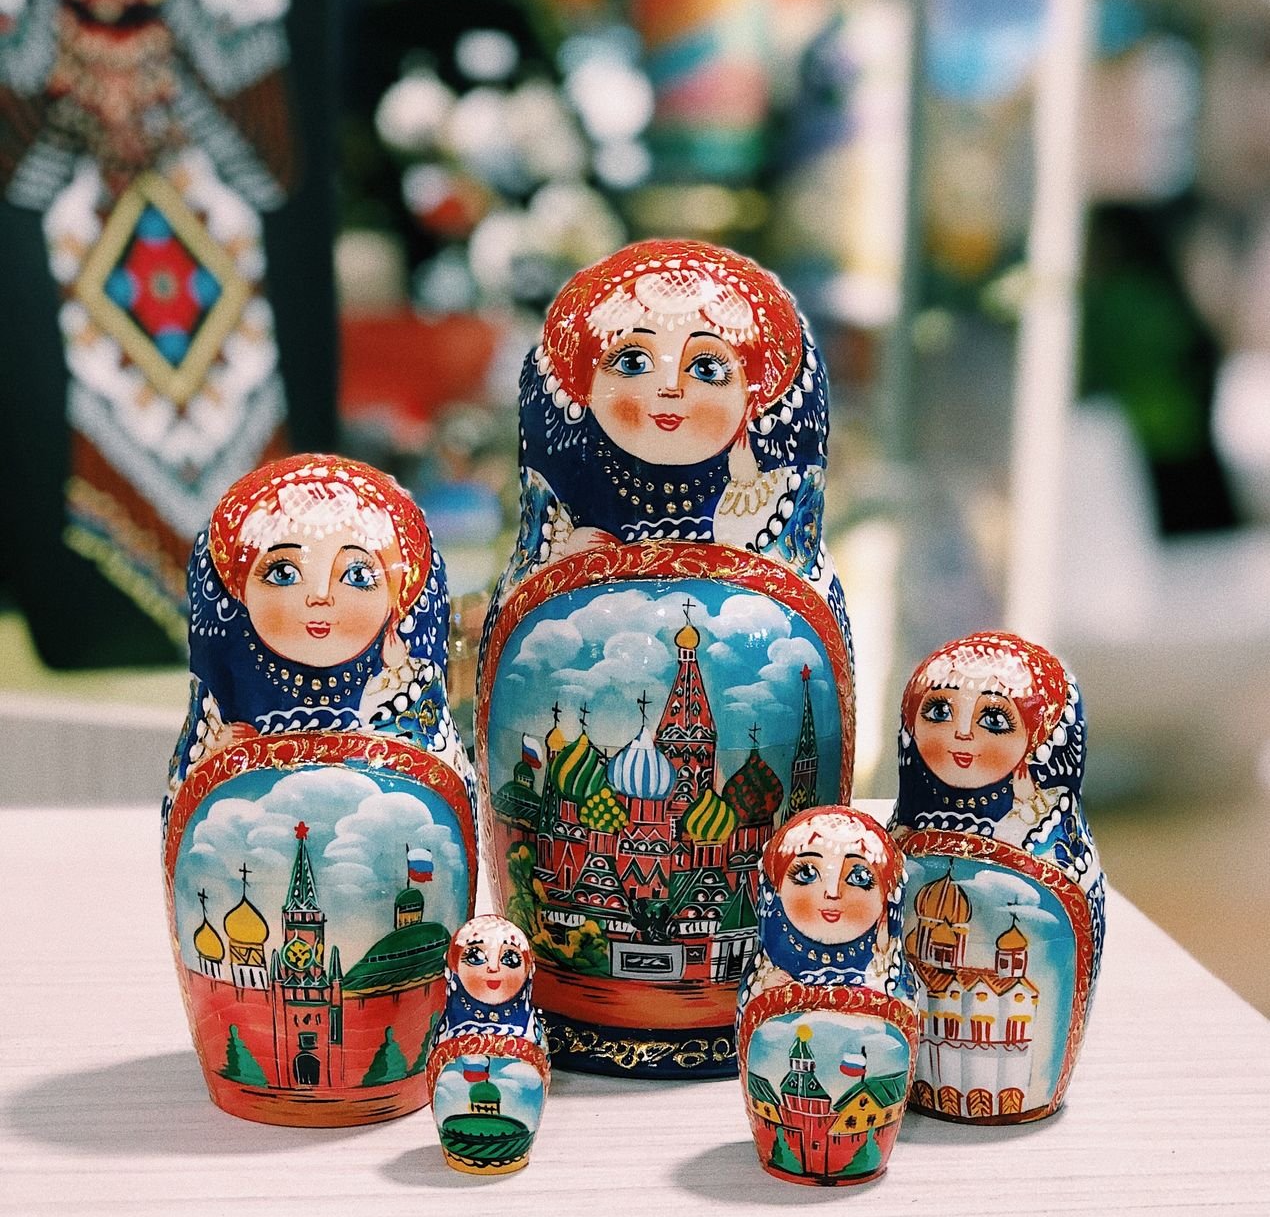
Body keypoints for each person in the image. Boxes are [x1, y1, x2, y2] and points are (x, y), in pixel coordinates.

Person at [500, 240, 840, 607]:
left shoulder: (775, 499)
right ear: (586, 385)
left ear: (751, 400)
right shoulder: (561, 507)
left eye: (706, 368)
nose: (669, 387)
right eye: (633, 363)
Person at [171, 455, 457, 789]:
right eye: (283, 573)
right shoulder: (217, 718)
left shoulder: (409, 688)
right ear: (238, 591)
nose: (319, 596)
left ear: (396, 601)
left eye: (358, 575)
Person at [893, 631, 1099, 889]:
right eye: (940, 712)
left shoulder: (1045, 826)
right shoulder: (902, 836)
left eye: (993, 719)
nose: (963, 733)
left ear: (1035, 739)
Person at [742, 807, 913, 1002]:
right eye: (807, 874)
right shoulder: (767, 977)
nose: (832, 893)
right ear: (776, 887)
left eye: (859, 877)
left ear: (887, 895)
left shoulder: (887, 980)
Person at [434, 916, 542, 1043]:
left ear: (527, 969)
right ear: (454, 966)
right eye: (475, 957)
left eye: (510, 959)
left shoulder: (529, 1030)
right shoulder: (448, 1032)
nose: (493, 967)